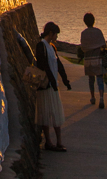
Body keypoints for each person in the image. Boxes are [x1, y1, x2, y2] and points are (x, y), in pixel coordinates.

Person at [35, 21, 72, 152]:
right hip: (46, 86)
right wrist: (52, 81)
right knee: (46, 114)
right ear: (50, 33)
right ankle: (49, 142)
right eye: (56, 34)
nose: (56, 37)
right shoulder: (41, 46)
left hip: (53, 85)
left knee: (56, 113)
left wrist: (65, 80)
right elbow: (43, 65)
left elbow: (59, 65)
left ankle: (58, 141)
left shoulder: (52, 47)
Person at [79, 12, 106, 108]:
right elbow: (104, 44)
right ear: (94, 21)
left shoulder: (83, 33)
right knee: (100, 78)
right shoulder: (98, 31)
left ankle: (93, 97)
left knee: (91, 79)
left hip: (88, 59)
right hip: (98, 58)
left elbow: (83, 47)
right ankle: (101, 97)